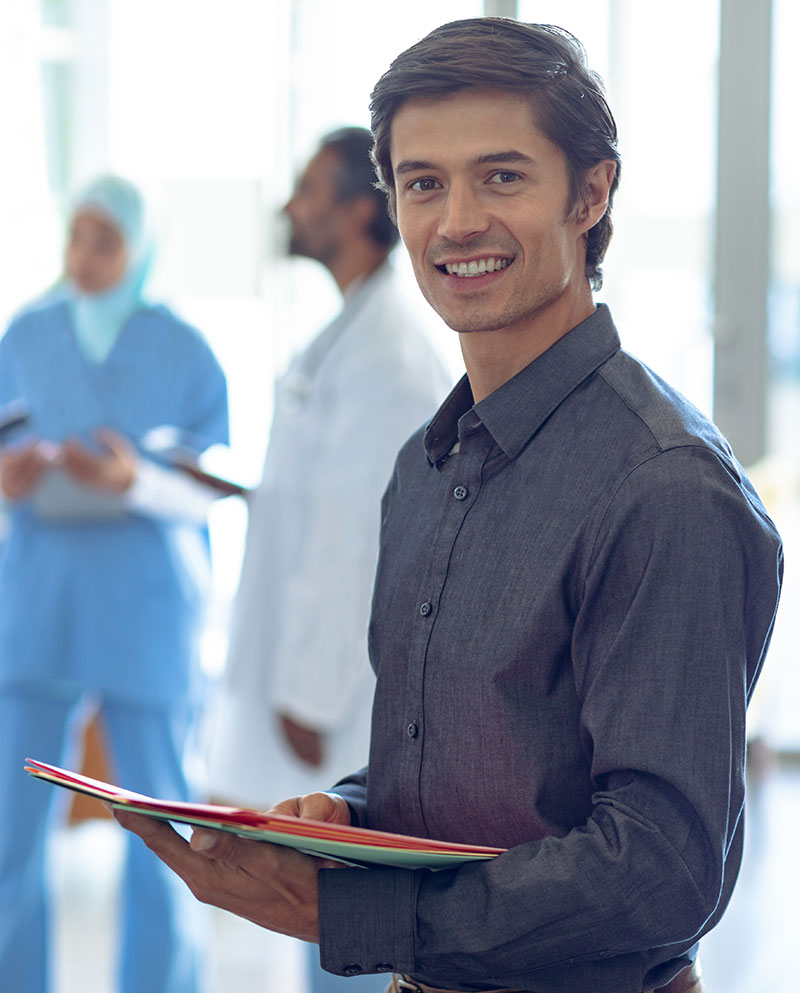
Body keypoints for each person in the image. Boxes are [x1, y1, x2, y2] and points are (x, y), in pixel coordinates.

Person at [113, 19, 783, 993]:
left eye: (501, 177)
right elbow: (466, 773)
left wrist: (361, 914)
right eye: (423, 183)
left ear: (590, 192)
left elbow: (660, 869)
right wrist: (352, 812)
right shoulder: (428, 465)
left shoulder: (662, 486)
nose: (456, 220)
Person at [204, 127, 452, 991]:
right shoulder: (352, 331)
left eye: (308, 190)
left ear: (355, 211)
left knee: (341, 912)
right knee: (322, 914)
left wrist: (310, 687)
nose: (289, 207)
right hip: (320, 681)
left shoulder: (384, 352)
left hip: (339, 696)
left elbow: (358, 542)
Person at [0, 174, 229, 993]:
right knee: (9, 837)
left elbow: (216, 481)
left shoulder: (185, 348)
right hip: (39, 602)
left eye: (105, 241)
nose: (84, 258)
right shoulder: (24, 334)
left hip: (146, 608)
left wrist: (135, 480)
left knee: (163, 833)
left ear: (140, 250)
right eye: (76, 237)